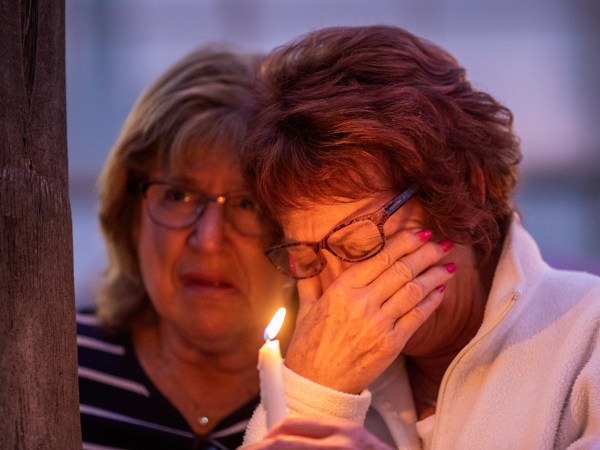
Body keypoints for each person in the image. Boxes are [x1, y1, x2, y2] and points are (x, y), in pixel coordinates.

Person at [240, 25, 600, 449]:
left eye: (360, 242)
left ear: (467, 187)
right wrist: (311, 391)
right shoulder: (321, 364)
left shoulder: (586, 337)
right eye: (309, 257)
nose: (340, 293)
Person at [76, 45, 295, 450]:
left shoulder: (342, 395)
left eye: (248, 204)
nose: (208, 239)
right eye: (179, 196)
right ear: (131, 214)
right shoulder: (50, 363)